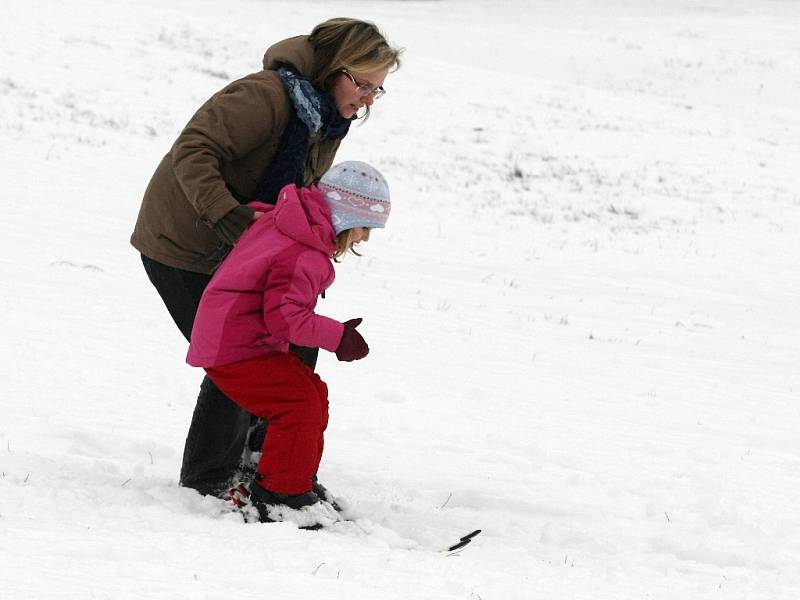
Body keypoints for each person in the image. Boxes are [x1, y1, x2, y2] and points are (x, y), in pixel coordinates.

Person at [130, 19, 401, 498]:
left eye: (378, 91)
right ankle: (210, 479)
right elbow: (192, 153)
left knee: (295, 345)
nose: (367, 101)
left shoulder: (326, 117)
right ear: (332, 69)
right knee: (242, 355)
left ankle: (273, 466)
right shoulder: (265, 96)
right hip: (185, 243)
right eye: (362, 84)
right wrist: (230, 217)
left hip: (249, 250)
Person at [186, 161, 391, 525]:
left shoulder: (290, 225)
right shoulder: (304, 252)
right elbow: (284, 317)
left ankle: (292, 479)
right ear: (342, 217)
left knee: (311, 392)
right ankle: (280, 494)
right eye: (362, 228)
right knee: (298, 402)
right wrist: (337, 336)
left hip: (240, 338)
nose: (364, 238)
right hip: (236, 347)